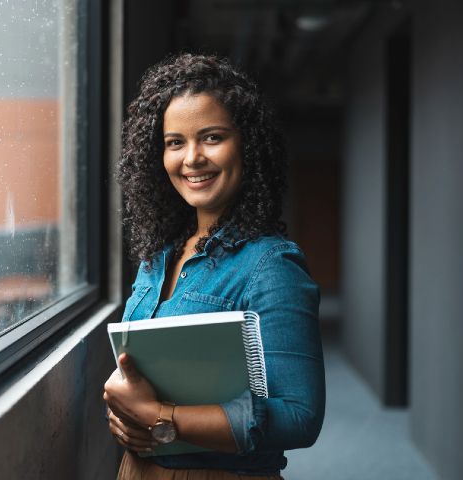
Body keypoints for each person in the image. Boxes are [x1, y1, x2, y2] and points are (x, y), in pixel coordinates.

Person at [103, 53, 325, 479]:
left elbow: (300, 416)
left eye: (212, 137)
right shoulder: (157, 257)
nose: (191, 158)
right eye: (175, 142)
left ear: (247, 145)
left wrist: (159, 419)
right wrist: (124, 415)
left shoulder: (271, 264)